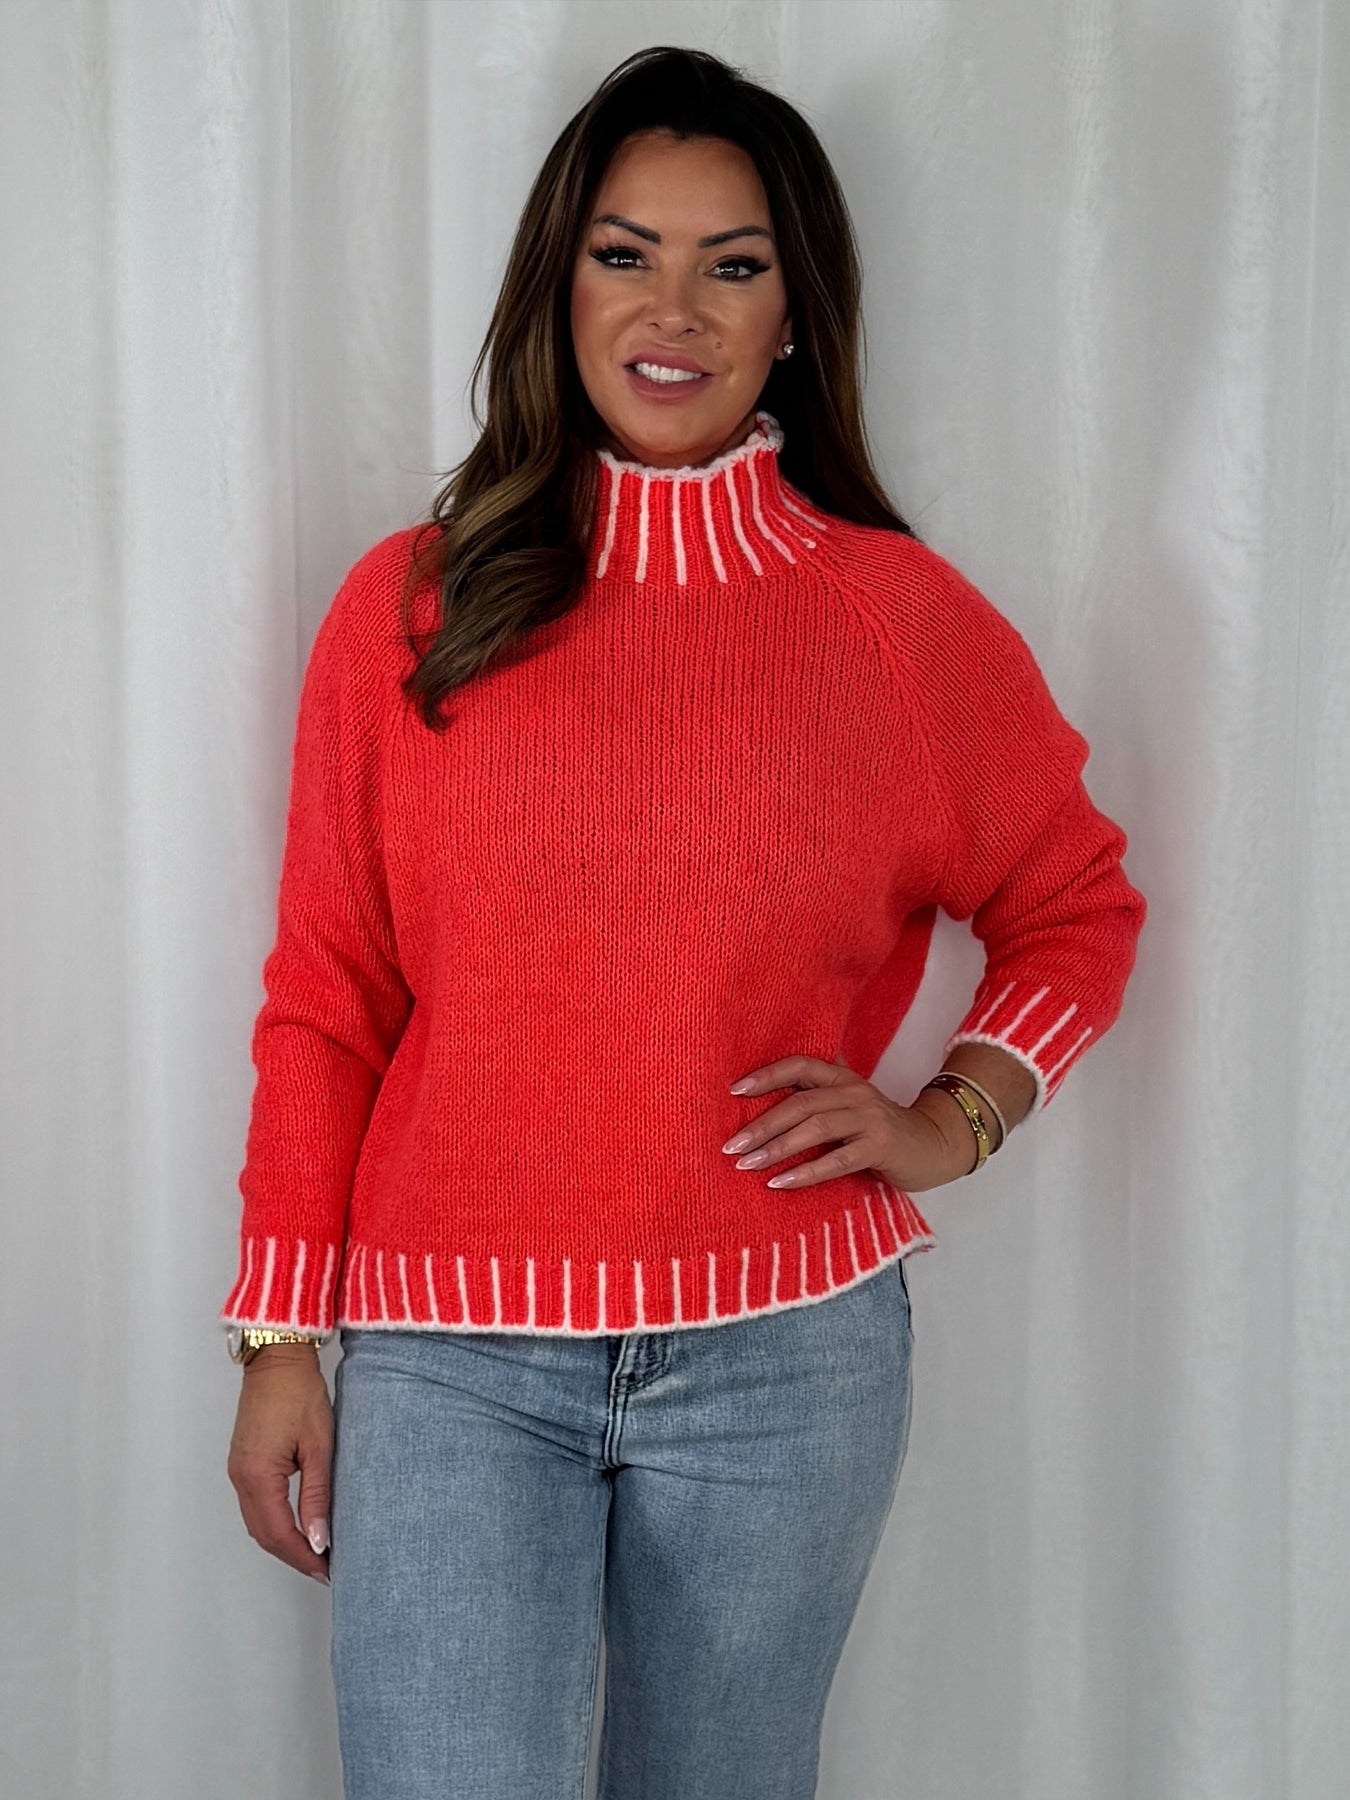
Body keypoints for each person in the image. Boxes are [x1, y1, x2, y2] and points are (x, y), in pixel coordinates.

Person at [222, 44, 1147, 1800]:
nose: (673, 309)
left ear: (792, 314)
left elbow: (1071, 902)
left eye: (731, 264)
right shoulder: (411, 609)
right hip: (450, 1357)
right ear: (556, 284)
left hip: (783, 1359)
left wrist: (951, 1117)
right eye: (623, 253)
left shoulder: (894, 623)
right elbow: (328, 994)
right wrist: (277, 1336)